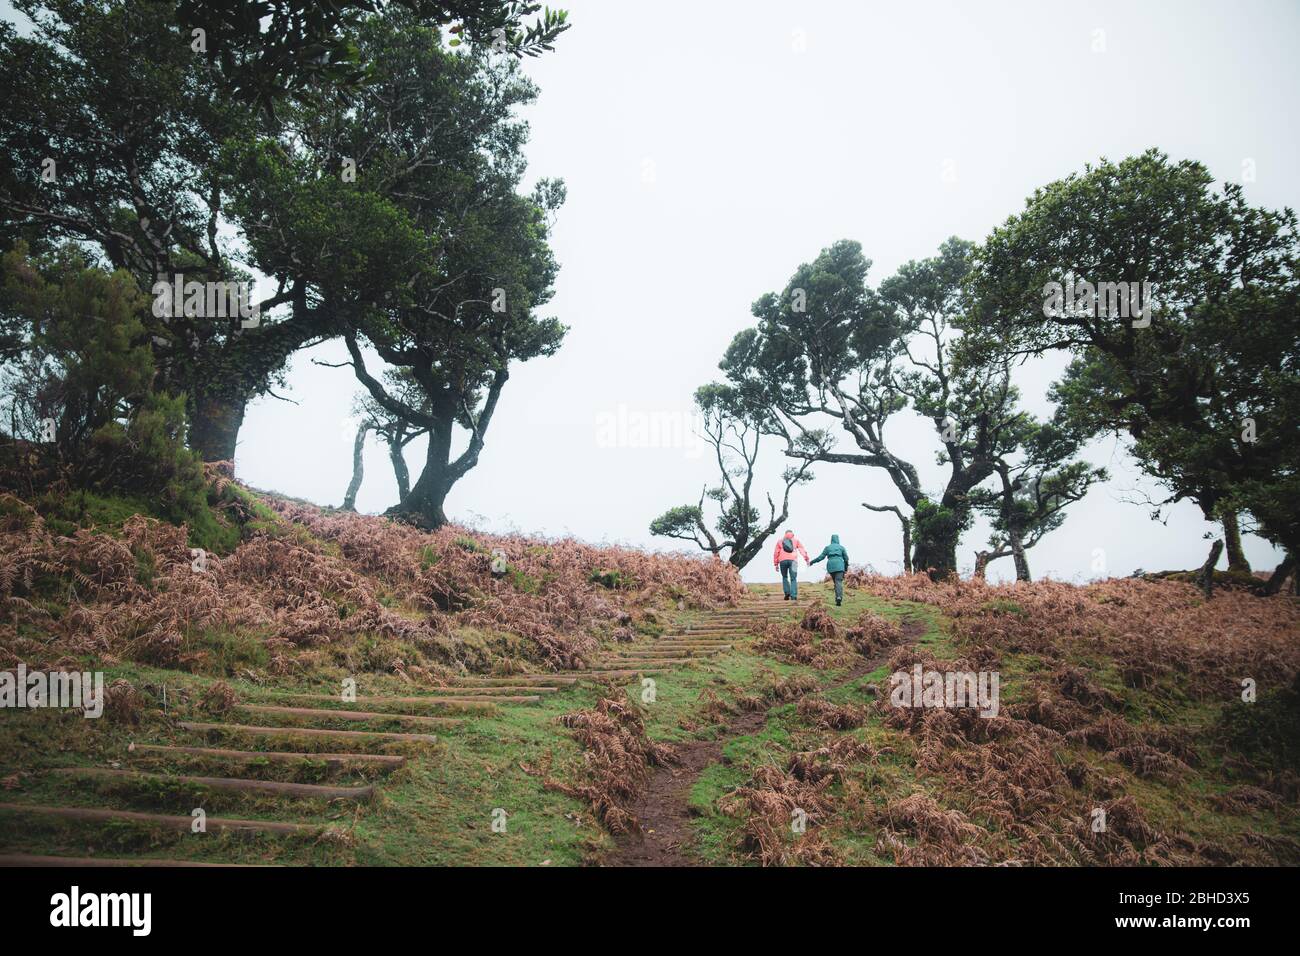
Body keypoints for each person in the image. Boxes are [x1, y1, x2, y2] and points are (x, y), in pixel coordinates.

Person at [810, 533, 850, 606]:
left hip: (831, 566)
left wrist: (812, 562)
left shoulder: (828, 548)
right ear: (838, 540)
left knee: (836, 582)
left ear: (831, 540)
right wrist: (846, 568)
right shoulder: (841, 548)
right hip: (840, 566)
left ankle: (837, 597)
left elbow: (820, 557)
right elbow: (846, 559)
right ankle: (839, 597)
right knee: (838, 582)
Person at [772, 529, 810, 601]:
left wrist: (776, 564)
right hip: (793, 561)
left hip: (782, 561)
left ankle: (787, 593)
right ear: (792, 534)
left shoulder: (780, 541)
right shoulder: (796, 541)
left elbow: (776, 553)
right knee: (793, 578)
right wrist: (806, 559)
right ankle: (793, 595)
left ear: (785, 534)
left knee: (784, 577)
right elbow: (802, 550)